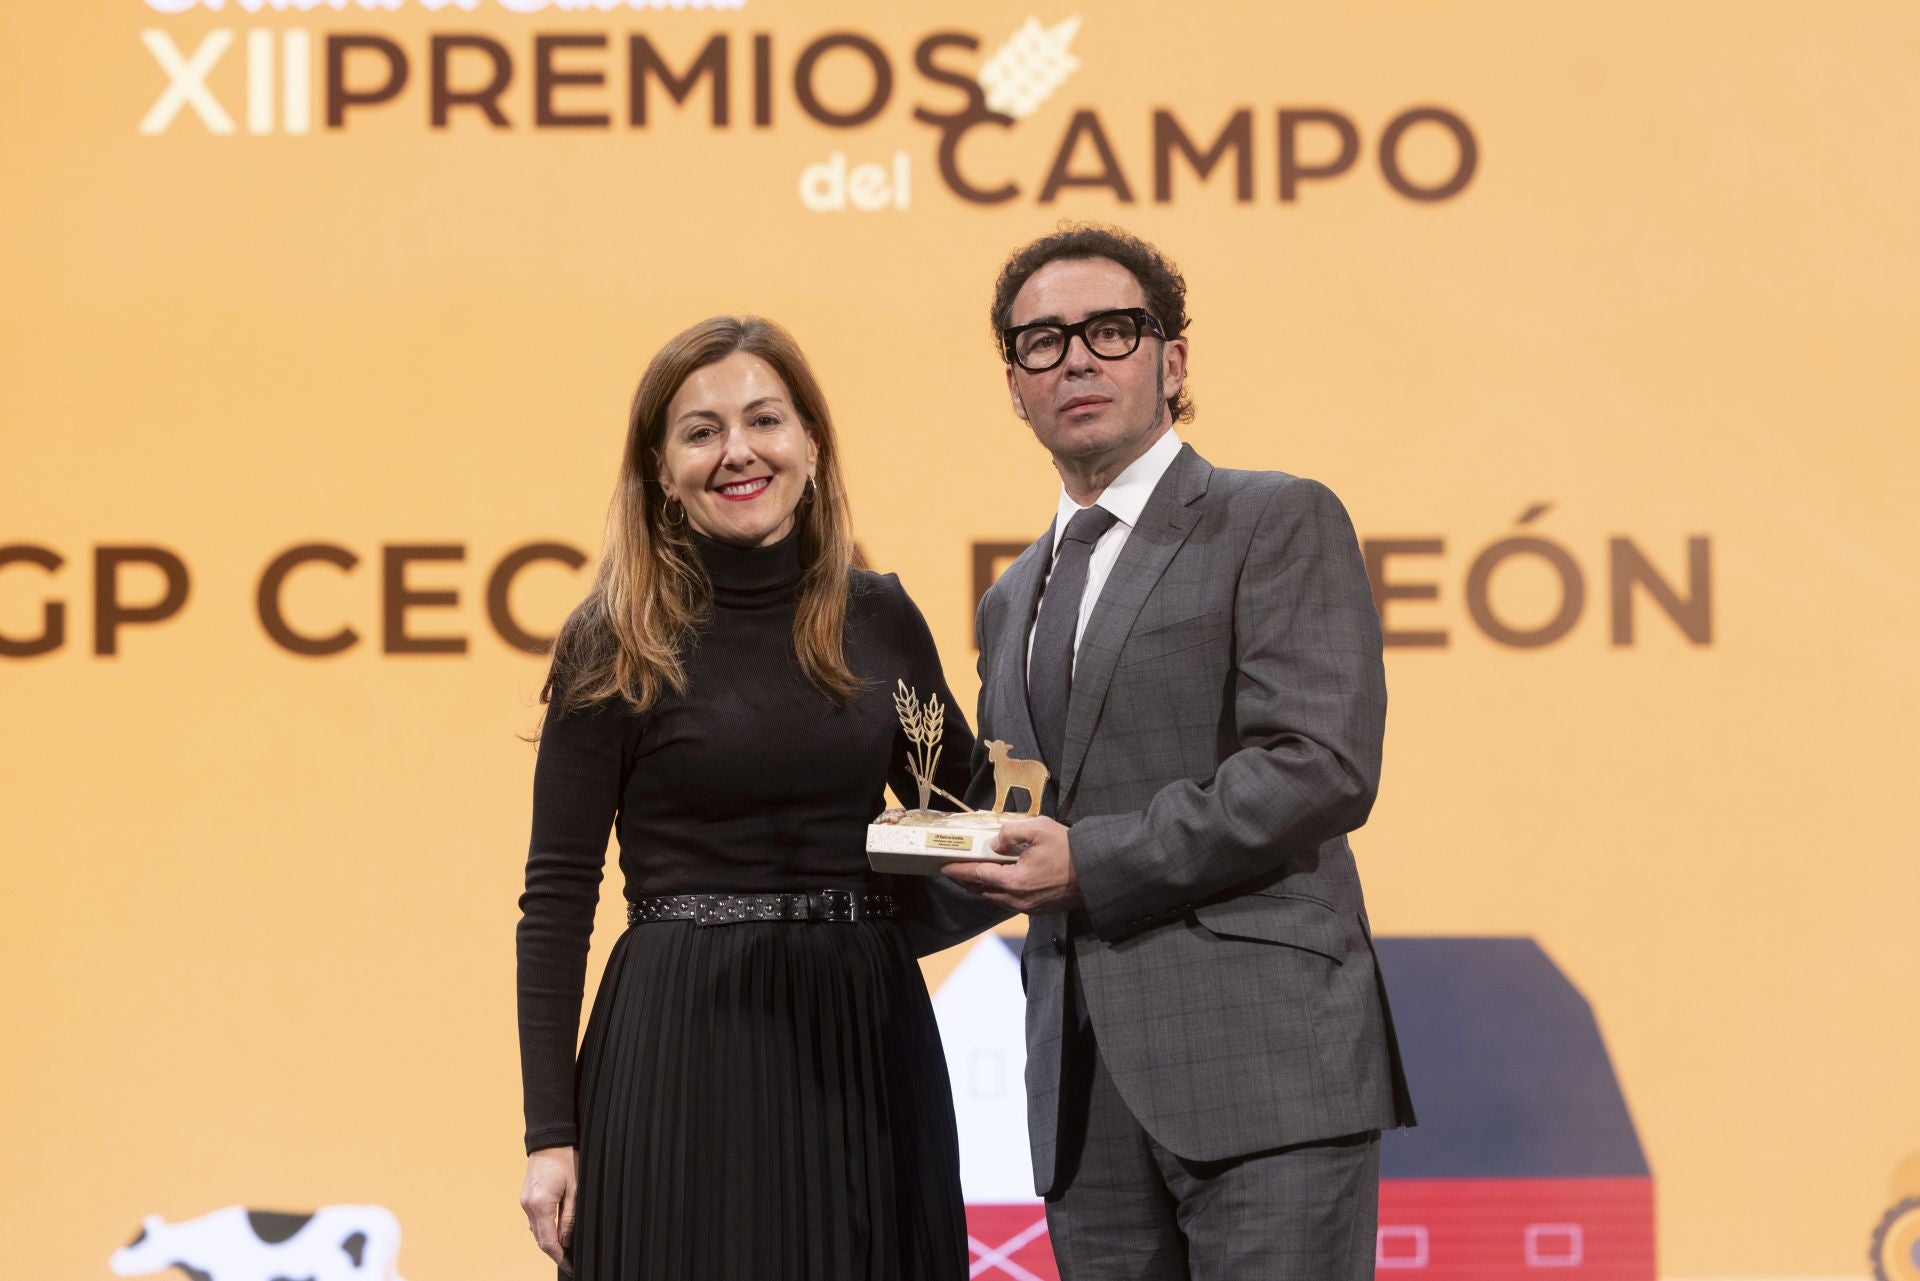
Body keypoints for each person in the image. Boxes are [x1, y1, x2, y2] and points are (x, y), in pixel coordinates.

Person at [937, 226, 1418, 1280]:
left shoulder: (1273, 518)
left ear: (1173, 361)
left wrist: (1092, 862)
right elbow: (1007, 822)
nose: (1076, 358)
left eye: (1111, 331)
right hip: (1083, 1097)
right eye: (1042, 342)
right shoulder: (1011, 598)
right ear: (1014, 386)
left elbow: (1319, 763)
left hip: (1266, 1073)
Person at [514, 316, 975, 1281]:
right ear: (661, 468)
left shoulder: (879, 615)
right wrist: (550, 1135)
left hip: (866, 1039)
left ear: (812, 443)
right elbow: (556, 902)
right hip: (682, 1042)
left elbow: (966, 821)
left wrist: (877, 924)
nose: (738, 451)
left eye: (765, 420)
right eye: (701, 431)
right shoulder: (614, 638)